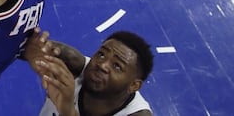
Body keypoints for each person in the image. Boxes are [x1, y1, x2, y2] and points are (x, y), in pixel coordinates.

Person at [25, 29, 154, 116]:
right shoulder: (71, 63)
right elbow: (26, 45)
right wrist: (32, 52)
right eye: (101, 54)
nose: (102, 65)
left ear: (134, 85)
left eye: (117, 66)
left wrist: (68, 111)